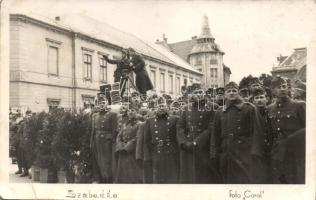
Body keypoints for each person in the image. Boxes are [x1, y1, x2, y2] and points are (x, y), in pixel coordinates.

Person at [210, 82, 265, 184]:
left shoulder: (250, 108)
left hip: (244, 154)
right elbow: (215, 135)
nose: (231, 93)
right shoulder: (220, 111)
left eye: (234, 91)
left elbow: (257, 132)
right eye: (229, 91)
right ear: (225, 94)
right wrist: (214, 153)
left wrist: (255, 153)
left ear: (238, 92)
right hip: (226, 154)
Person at [267, 76, 305, 184]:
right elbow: (269, 132)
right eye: (278, 87)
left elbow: (310, 129)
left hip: (295, 153)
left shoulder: (299, 105)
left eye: (284, 86)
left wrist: (293, 139)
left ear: (288, 89)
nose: (282, 89)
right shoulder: (270, 108)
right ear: (273, 91)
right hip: (277, 153)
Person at [177, 89, 220, 183]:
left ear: (204, 93)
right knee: (188, 175)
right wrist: (183, 142)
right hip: (187, 145)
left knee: (203, 175)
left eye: (200, 92)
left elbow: (211, 127)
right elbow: (180, 126)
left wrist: (197, 142)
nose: (198, 94)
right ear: (192, 94)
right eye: (196, 93)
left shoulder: (213, 106)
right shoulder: (186, 108)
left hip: (203, 144)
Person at [143, 97, 180, 183]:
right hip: (156, 154)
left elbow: (177, 138)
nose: (161, 108)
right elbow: (146, 141)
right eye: (159, 106)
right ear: (155, 108)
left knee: (172, 179)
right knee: (158, 179)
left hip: (171, 154)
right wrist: (147, 157)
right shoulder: (150, 121)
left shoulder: (175, 119)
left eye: (163, 106)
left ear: (167, 107)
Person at [90, 98, 118, 183]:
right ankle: (101, 178)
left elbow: (114, 130)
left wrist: (111, 140)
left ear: (107, 104)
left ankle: (108, 179)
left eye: (103, 103)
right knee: (99, 161)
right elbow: (93, 131)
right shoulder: (95, 115)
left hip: (107, 142)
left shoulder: (112, 115)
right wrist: (91, 142)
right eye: (99, 103)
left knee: (107, 161)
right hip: (97, 141)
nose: (101, 104)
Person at [115, 108, 142, 183]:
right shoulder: (125, 124)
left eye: (133, 110)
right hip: (123, 151)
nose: (130, 112)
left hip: (132, 151)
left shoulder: (140, 124)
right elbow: (119, 136)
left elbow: (138, 138)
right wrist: (120, 145)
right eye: (129, 111)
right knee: (122, 173)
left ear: (136, 112)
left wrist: (128, 146)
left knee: (133, 174)